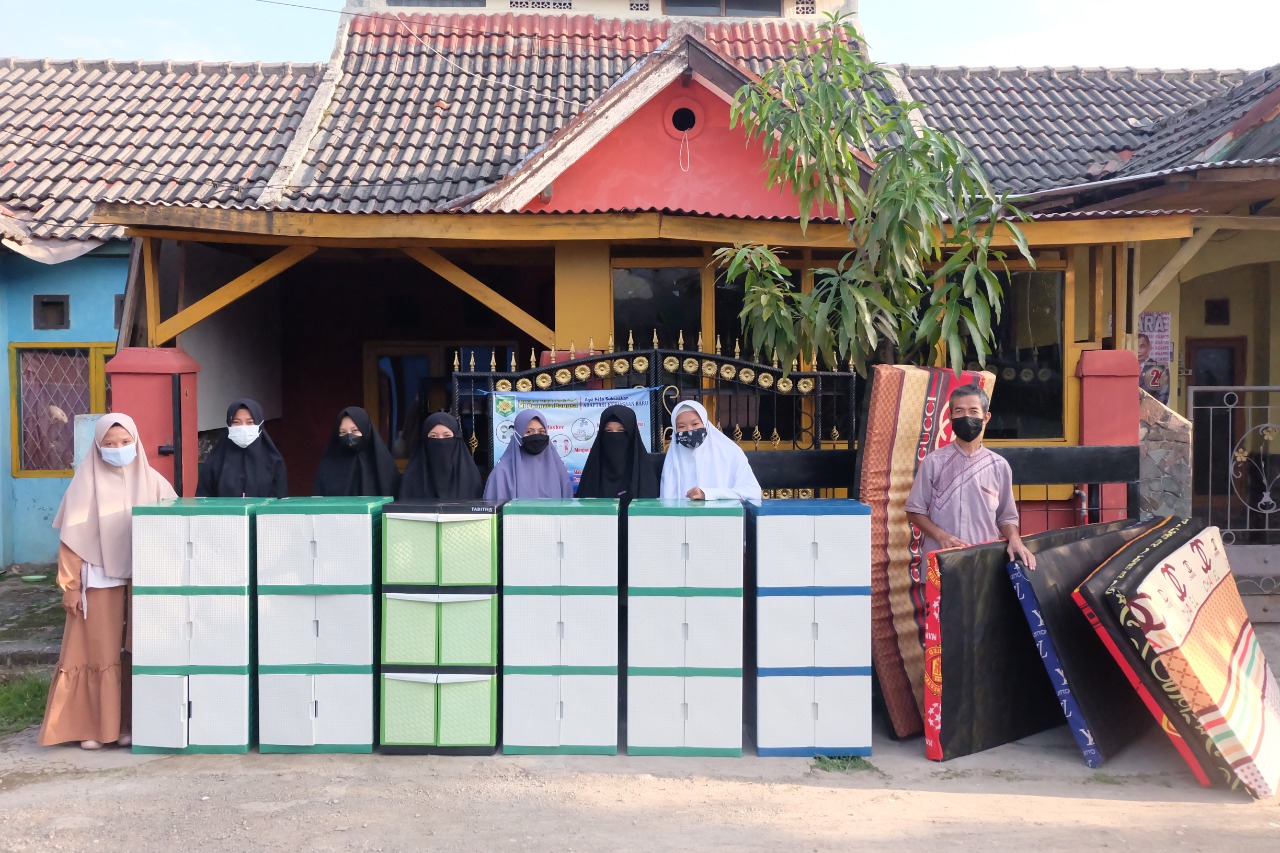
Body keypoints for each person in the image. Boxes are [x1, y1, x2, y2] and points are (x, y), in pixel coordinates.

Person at [39, 414, 177, 749]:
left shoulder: (155, 483)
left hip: (142, 581)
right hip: (98, 579)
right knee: (95, 651)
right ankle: (93, 726)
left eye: (125, 442)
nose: (118, 449)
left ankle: (129, 723)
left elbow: (175, 528)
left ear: (136, 442)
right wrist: (70, 586)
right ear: (98, 447)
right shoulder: (84, 484)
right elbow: (72, 541)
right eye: (110, 444)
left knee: (137, 651)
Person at [905, 384, 1035, 568]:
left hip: (984, 560)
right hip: (941, 560)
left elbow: (1006, 517)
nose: (966, 417)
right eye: (959, 411)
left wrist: (1015, 540)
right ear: (950, 417)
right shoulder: (934, 462)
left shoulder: (998, 466)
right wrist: (941, 536)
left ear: (986, 417)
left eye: (973, 411)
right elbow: (914, 511)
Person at [660, 400, 763, 502]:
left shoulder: (730, 452)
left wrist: (710, 494)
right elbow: (666, 499)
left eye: (695, 424)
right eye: (681, 426)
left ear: (705, 424)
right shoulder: (673, 457)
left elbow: (752, 492)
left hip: (723, 512)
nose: (689, 430)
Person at [196, 398, 287, 498]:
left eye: (250, 422)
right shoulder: (215, 462)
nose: (243, 427)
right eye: (236, 422)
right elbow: (203, 499)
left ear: (260, 425)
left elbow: (279, 500)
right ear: (228, 424)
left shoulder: (274, 461)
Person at [483, 409, 573, 502]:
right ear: (517, 434)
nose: (536, 436)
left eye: (541, 432)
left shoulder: (558, 469)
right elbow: (493, 507)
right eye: (529, 432)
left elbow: (568, 505)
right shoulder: (502, 472)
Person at [576, 405, 660, 502]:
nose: (614, 436)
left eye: (621, 431)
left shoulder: (644, 475)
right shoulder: (592, 471)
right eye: (608, 431)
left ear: (631, 434)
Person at [312, 406, 401, 497]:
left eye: (355, 430)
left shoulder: (383, 464)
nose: (349, 436)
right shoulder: (329, 465)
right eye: (343, 432)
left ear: (366, 430)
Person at [398, 412, 484, 501]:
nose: (440, 440)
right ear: (424, 439)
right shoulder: (412, 477)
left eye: (447, 436)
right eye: (433, 436)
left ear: (456, 439)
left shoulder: (470, 477)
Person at [1137, 333, 1171, 405]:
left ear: (1149, 347)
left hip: (1150, 410)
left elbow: (1163, 397)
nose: (1138, 351)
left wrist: (1151, 411)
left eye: (1142, 347)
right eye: (1135, 347)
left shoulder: (1160, 368)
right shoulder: (1126, 367)